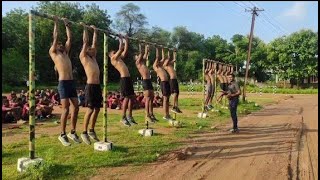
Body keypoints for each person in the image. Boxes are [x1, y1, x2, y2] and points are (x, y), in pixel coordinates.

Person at [49, 16, 80, 146]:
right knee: (66, 109)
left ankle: (72, 132)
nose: (61, 45)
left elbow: (69, 39)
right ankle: (62, 134)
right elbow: (55, 37)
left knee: (76, 107)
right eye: (59, 44)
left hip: (71, 83)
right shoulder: (53, 53)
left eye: (62, 44)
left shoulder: (65, 53)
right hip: (63, 83)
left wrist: (67, 25)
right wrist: (56, 23)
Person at [79, 24, 102, 145]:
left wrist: (95, 31)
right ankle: (84, 132)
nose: (93, 49)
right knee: (90, 109)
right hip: (91, 86)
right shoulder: (84, 57)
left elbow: (94, 43)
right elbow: (86, 42)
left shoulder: (93, 58)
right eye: (90, 49)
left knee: (97, 109)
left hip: (97, 87)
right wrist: (85, 29)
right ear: (86, 50)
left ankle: (92, 130)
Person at [109, 35, 137, 127]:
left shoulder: (120, 59)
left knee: (132, 97)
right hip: (124, 79)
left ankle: (130, 116)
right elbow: (120, 49)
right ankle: (123, 117)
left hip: (128, 78)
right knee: (127, 97)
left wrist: (127, 41)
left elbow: (124, 51)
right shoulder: (113, 59)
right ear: (111, 55)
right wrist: (121, 39)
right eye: (114, 52)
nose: (116, 52)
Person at [135, 43, 157, 123]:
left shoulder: (143, 62)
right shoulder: (138, 63)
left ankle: (151, 114)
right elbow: (142, 54)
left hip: (149, 81)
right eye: (137, 56)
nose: (138, 56)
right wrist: (141, 46)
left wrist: (147, 48)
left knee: (152, 97)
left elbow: (145, 54)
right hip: (145, 81)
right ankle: (147, 115)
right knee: (147, 98)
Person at [153, 47, 172, 120]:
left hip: (167, 82)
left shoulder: (160, 66)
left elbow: (164, 58)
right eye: (158, 61)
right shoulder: (155, 66)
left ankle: (167, 114)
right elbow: (158, 57)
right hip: (163, 83)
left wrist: (163, 50)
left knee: (167, 99)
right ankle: (165, 114)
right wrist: (158, 49)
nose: (159, 61)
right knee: (165, 98)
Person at [163, 49, 182, 113]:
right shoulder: (165, 66)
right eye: (166, 60)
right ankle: (174, 107)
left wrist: (174, 53)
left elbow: (174, 60)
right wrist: (168, 52)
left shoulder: (170, 65)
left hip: (175, 80)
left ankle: (176, 106)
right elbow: (168, 58)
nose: (168, 61)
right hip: (172, 80)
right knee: (175, 93)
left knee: (177, 94)